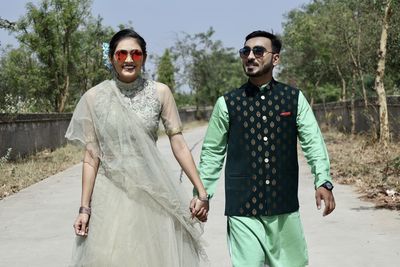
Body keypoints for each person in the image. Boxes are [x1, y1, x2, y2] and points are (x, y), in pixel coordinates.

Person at [66, 29, 209, 267]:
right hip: (111, 192)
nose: (129, 60)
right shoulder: (94, 97)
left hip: (153, 191)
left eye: (136, 54)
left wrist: (201, 192)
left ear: (144, 57)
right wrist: (84, 208)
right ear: (111, 58)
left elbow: (179, 142)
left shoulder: (160, 92)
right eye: (122, 54)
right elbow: (91, 156)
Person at [192, 30, 336, 267]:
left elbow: (313, 142)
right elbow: (212, 153)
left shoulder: (294, 99)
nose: (250, 56)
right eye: (245, 51)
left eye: (258, 51)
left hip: (284, 207)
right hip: (242, 208)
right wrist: (202, 193)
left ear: (275, 58)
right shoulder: (227, 103)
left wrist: (323, 180)